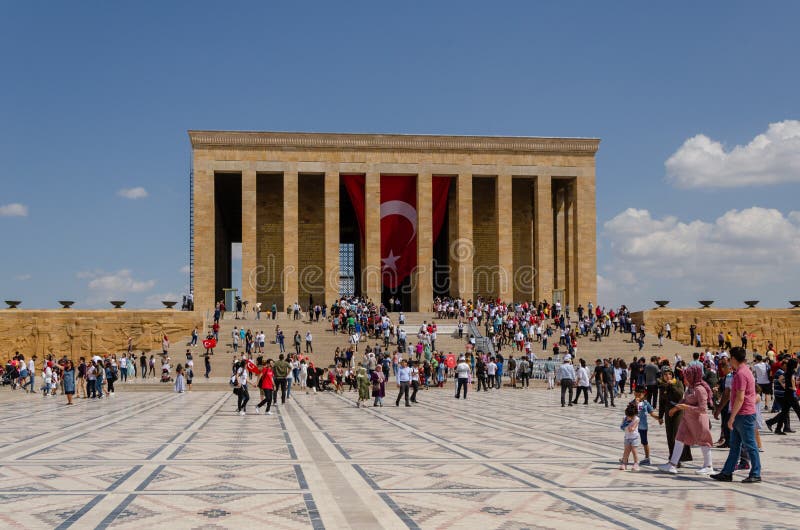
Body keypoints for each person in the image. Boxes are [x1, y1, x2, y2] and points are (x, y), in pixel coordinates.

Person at [712, 347, 762, 483]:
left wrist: (732, 417)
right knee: (735, 446)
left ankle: (756, 473)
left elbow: (740, 398)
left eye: (730, 358)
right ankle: (727, 472)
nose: (729, 361)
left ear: (734, 358)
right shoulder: (743, 371)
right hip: (742, 414)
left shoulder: (741, 374)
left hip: (743, 414)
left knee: (750, 445)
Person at [658, 364, 714, 475]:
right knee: (679, 438)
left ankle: (708, 466)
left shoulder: (700, 389)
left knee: (703, 441)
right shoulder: (691, 388)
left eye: (687, 375)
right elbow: (684, 400)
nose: (685, 378)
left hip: (698, 420)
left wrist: (686, 407)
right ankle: (672, 464)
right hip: (687, 419)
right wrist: (676, 408)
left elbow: (703, 408)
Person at [658, 367, 693, 466]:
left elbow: (680, 394)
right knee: (669, 436)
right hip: (668, 412)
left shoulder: (678, 383)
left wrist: (672, 385)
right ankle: (672, 458)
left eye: (669, 374)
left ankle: (678, 458)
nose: (667, 376)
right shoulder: (662, 385)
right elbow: (662, 401)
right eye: (665, 374)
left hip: (678, 411)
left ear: (672, 374)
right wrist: (660, 416)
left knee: (676, 436)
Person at [632, 386, 659, 465]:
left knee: (644, 442)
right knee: (631, 442)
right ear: (634, 393)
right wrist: (635, 404)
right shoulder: (632, 403)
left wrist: (658, 418)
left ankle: (647, 458)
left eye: (641, 393)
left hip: (643, 426)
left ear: (644, 394)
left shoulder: (646, 403)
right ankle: (626, 457)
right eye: (637, 393)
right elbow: (630, 413)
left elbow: (651, 413)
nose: (639, 395)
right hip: (634, 426)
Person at [620, 402, 641, 471]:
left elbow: (633, 428)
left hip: (634, 437)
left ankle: (636, 464)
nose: (629, 417)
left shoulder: (636, 419)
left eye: (631, 416)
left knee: (634, 451)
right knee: (626, 451)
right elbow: (622, 426)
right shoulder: (624, 418)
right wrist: (626, 423)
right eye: (628, 416)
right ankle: (624, 463)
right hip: (627, 437)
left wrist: (631, 428)